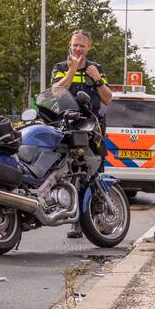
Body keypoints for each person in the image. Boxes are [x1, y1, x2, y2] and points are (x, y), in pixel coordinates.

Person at [52, 29, 112, 237]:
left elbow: (107, 98)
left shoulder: (97, 69)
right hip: (67, 127)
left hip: (92, 127)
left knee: (95, 173)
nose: (78, 48)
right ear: (70, 45)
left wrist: (97, 79)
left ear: (89, 47)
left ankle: (99, 219)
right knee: (71, 172)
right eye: (75, 45)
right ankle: (76, 221)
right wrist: (71, 71)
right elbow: (56, 92)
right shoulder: (61, 67)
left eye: (82, 46)